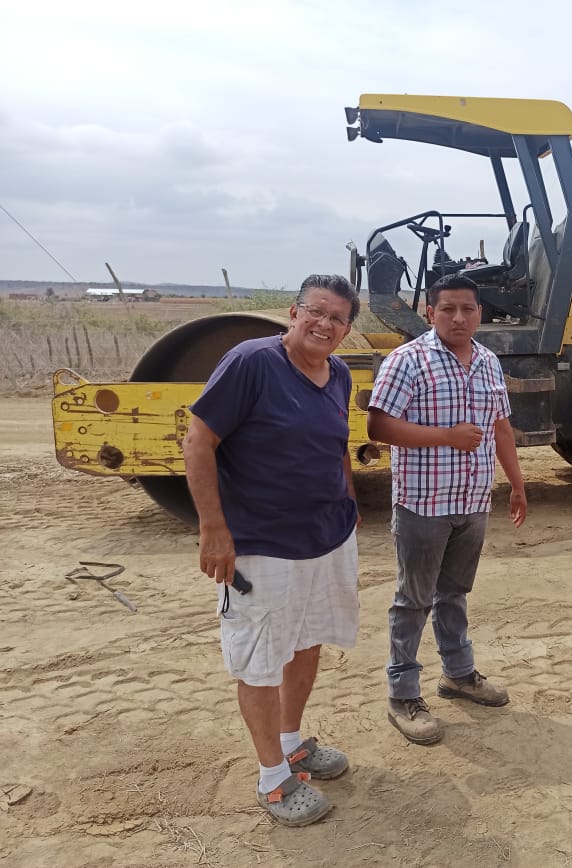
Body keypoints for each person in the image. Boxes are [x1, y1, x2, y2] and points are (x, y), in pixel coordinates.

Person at [182, 274, 361, 825]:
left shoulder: (339, 373)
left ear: (347, 330)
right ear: (293, 312)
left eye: (337, 318)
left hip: (326, 539)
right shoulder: (252, 363)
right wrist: (214, 528)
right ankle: (272, 780)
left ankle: (290, 743)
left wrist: (349, 501)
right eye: (316, 311)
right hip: (262, 543)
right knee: (259, 660)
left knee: (306, 641)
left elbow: (337, 446)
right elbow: (199, 440)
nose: (324, 324)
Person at [367, 273, 526, 746]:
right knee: (412, 601)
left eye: (467, 309)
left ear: (480, 313)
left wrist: (517, 485)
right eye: (448, 309)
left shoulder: (489, 362)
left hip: (472, 502)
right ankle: (402, 695)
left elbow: (500, 428)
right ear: (430, 312)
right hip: (423, 503)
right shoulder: (407, 361)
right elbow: (379, 426)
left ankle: (458, 674)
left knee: (454, 593)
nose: (458, 318)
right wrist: (447, 437)